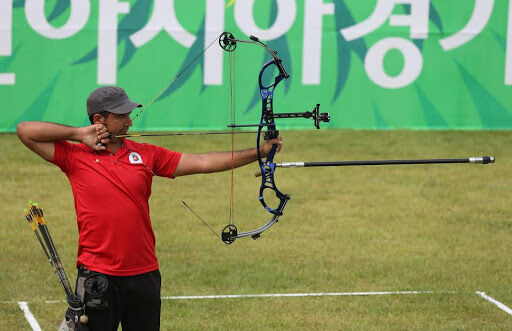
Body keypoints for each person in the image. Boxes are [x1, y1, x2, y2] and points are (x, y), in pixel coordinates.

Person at [16, 86, 282, 330]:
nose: (130, 121)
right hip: (98, 275)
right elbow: (25, 131)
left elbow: (203, 162)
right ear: (99, 120)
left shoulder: (146, 154)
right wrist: (77, 134)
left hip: (144, 274)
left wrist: (260, 151)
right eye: (122, 115)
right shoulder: (74, 156)